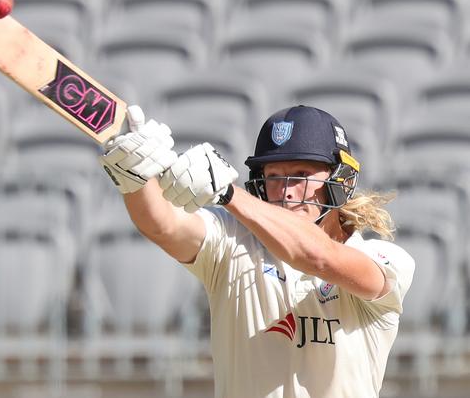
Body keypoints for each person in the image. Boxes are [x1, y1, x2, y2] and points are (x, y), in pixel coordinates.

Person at [99, 104, 415, 398]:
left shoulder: (387, 261)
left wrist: (227, 194)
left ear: (340, 179)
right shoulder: (232, 239)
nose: (285, 191)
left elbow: (318, 256)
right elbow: (163, 226)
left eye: (301, 176)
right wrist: (136, 179)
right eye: (274, 176)